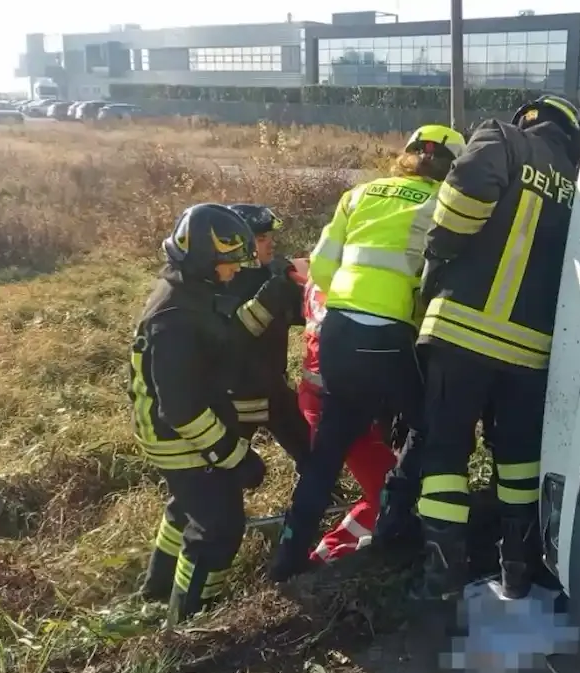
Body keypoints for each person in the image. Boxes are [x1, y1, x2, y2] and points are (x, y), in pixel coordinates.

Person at [268, 124, 467, 582]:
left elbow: (321, 267)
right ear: (453, 168)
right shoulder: (443, 204)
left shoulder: (359, 194)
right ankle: (395, 520)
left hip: (338, 331)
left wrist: (352, 300)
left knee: (327, 452)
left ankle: (288, 557)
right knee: (426, 425)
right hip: (390, 336)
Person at [409, 95, 580, 602]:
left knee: (446, 453)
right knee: (519, 460)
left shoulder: (505, 140)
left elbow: (462, 197)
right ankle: (518, 570)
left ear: (528, 119)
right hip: (531, 353)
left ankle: (442, 579)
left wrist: (440, 251)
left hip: (461, 333)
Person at [132, 203, 293, 622]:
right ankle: (191, 620)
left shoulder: (191, 291)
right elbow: (182, 409)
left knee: (187, 509)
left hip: (175, 431)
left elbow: (226, 341)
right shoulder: (175, 319)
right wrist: (233, 456)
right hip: (178, 438)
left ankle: (157, 594)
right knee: (218, 527)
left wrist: (270, 298)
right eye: (229, 262)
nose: (236, 270)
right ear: (205, 258)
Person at [291, 259, 400, 563]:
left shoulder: (323, 272)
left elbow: (301, 265)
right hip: (337, 405)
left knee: (384, 487)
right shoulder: (358, 286)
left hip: (325, 400)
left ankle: (324, 551)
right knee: (388, 490)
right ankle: (326, 556)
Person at [219, 204, 309, 467]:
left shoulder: (270, 274)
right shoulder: (224, 282)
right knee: (226, 468)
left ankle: (320, 491)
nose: (270, 243)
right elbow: (240, 333)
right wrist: (277, 287)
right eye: (261, 239)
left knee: (313, 456)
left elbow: (298, 316)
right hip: (236, 397)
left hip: (274, 390)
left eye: (270, 237)